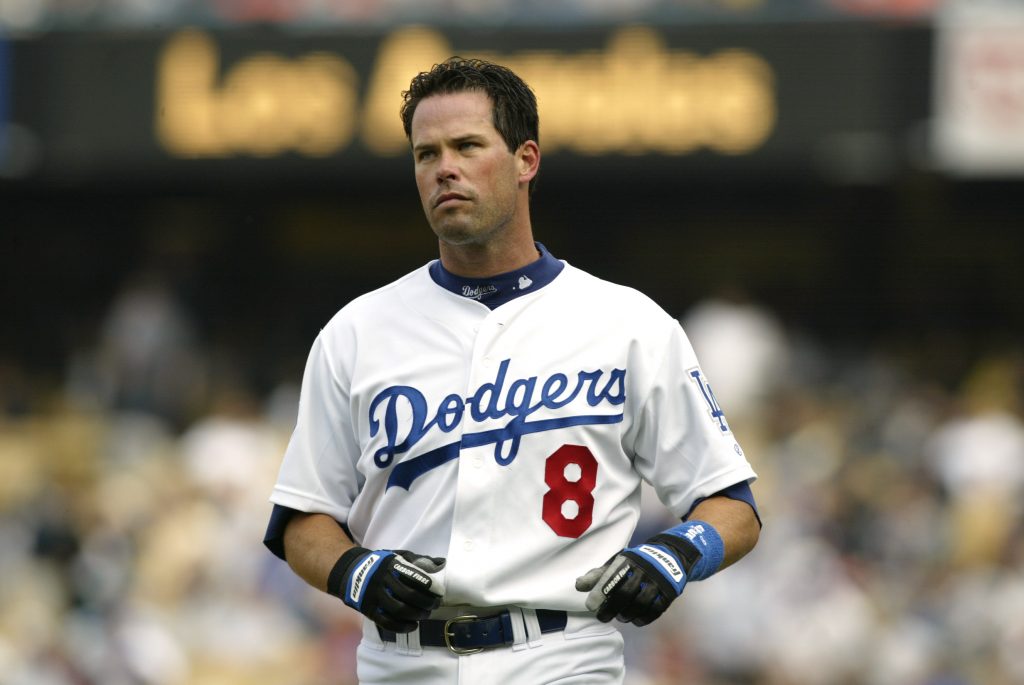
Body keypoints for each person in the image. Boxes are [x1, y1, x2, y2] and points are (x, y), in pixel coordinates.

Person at [264, 57, 761, 684]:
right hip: (402, 663)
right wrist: (353, 570)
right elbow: (302, 519)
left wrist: (676, 554)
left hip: (562, 655)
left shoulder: (629, 323)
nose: (444, 167)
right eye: (426, 154)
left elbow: (732, 505)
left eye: (468, 145)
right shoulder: (357, 331)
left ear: (526, 160)